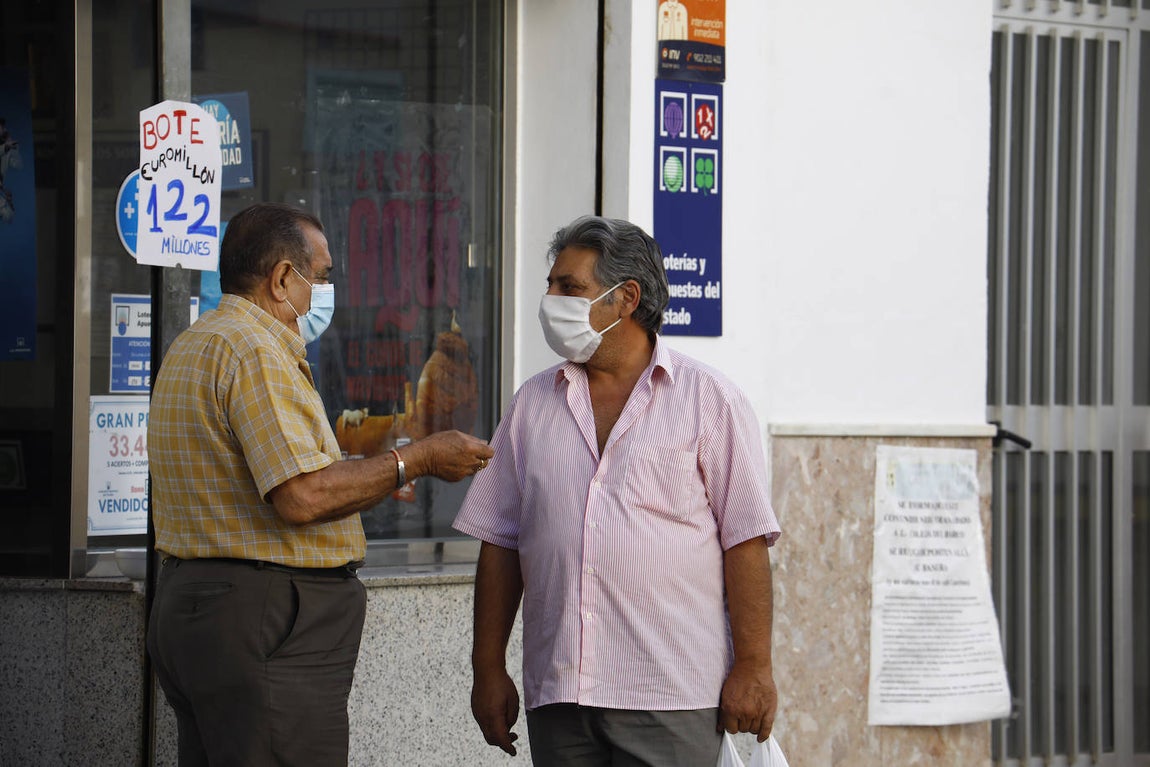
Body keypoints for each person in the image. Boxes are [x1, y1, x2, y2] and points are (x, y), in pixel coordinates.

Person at [146, 202, 493, 766]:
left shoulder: (197, 342)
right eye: (322, 276)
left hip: (198, 606)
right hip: (264, 616)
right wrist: (418, 459)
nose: (325, 291)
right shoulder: (253, 350)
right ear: (283, 278)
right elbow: (302, 495)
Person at [454, 215, 781, 765]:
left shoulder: (710, 401)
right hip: (561, 694)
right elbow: (500, 540)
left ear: (626, 298)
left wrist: (754, 666)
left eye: (570, 288)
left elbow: (745, 541)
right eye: (551, 286)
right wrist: (487, 669)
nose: (551, 300)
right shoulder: (533, 403)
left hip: (670, 694)